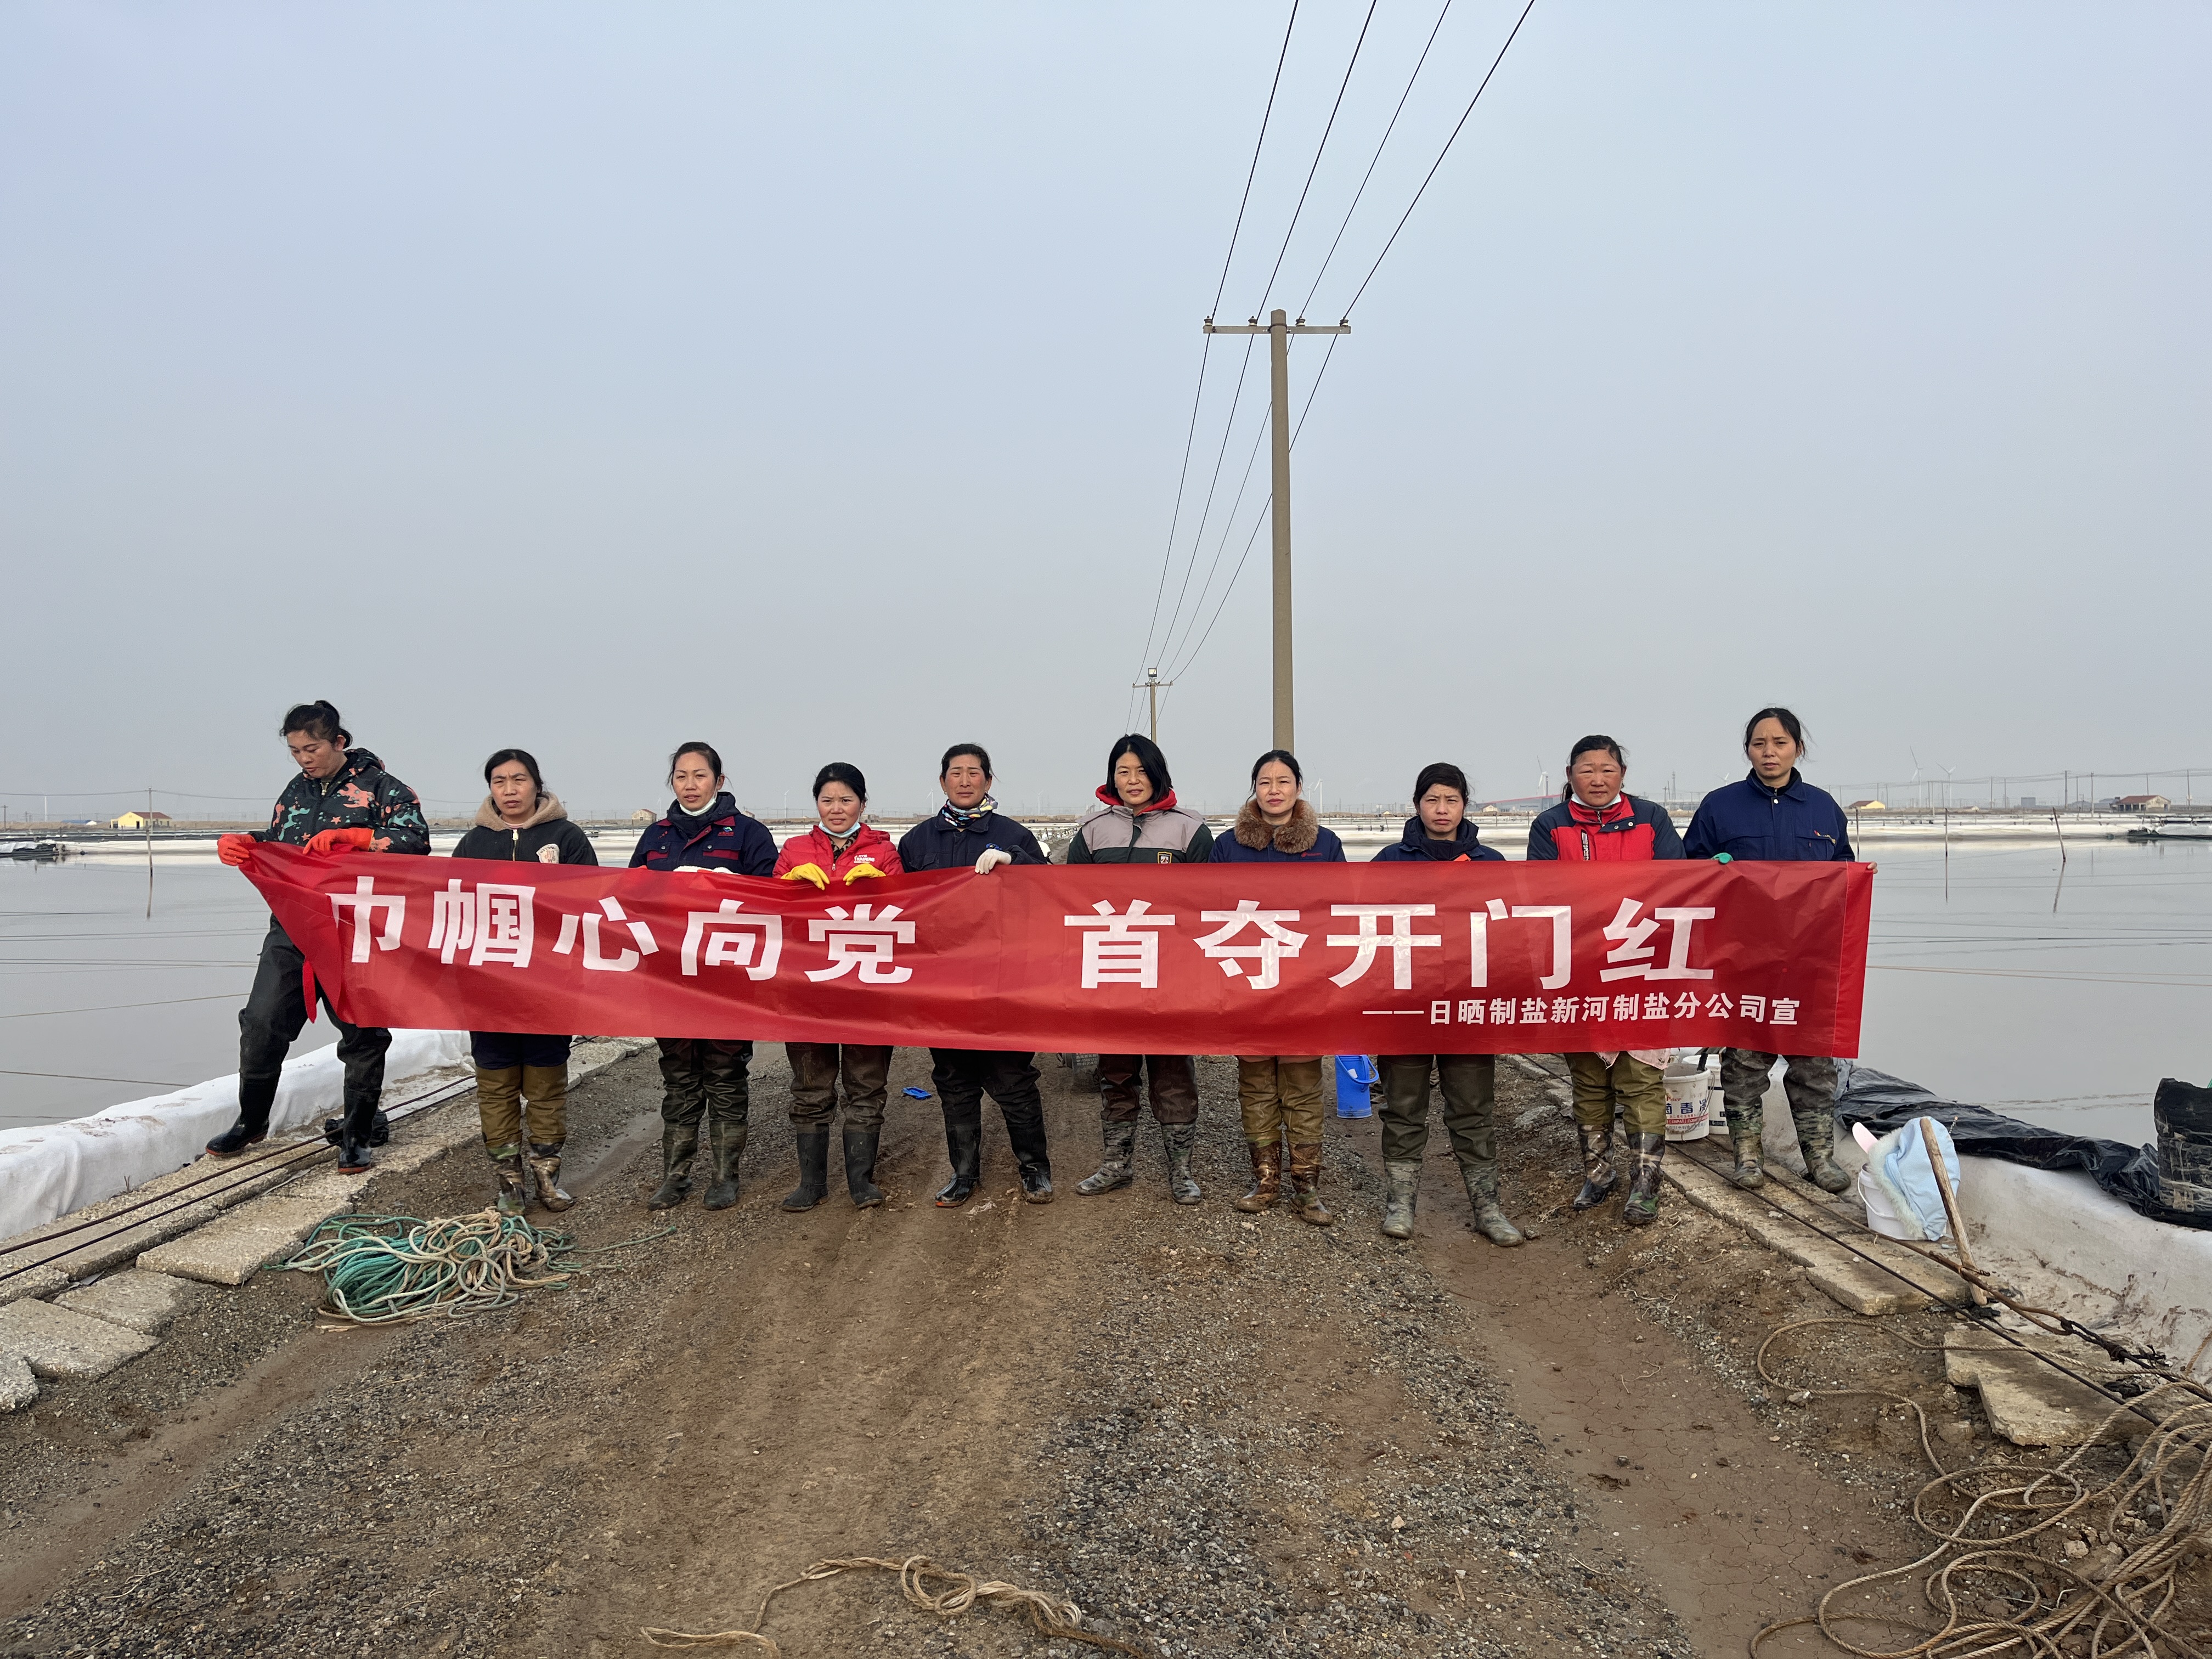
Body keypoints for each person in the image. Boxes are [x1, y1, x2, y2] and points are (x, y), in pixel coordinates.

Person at [208, 701, 429, 1173]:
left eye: (312, 748)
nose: (304, 759)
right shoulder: (296, 791)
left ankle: (357, 1134)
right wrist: (248, 843)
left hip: (355, 929)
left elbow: (416, 842)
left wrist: (358, 838)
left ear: (339, 742)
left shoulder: (384, 789)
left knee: (362, 1031)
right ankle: (252, 1121)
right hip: (294, 927)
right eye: (295, 751)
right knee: (261, 1022)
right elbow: (282, 841)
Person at [1685, 707, 1866, 1195]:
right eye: (1759, 743)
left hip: (1809, 959)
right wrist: (1712, 867)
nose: (1770, 752)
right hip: (1743, 958)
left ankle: (1819, 1157)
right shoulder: (1720, 807)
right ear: (1747, 750)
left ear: (1798, 749)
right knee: (1744, 1062)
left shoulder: (1823, 808)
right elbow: (1687, 873)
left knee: (1814, 1063)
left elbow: (1843, 877)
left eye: (1780, 743)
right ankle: (1747, 1156)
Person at [1527, 737, 1686, 1226]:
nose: (1597, 779)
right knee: (1589, 1077)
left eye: (1607, 770)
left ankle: (1645, 1184)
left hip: (1640, 966)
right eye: (1587, 770)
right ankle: (1598, 1173)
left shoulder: (1651, 819)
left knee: (1642, 1079)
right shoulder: (1551, 825)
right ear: (1570, 775)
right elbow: (1541, 896)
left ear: (1623, 774)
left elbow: (1678, 884)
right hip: (1578, 968)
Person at [1368, 763, 1526, 1246]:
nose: (1442, 809)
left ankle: (1488, 1208)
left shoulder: (1489, 863)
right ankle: (1400, 1205)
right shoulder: (1390, 862)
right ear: (1417, 804)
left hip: (1467, 1006)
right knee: (1403, 1106)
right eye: (1433, 800)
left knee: (1473, 1108)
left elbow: (1511, 934)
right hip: (1406, 1004)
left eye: (1451, 800)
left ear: (1464, 806)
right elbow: (1364, 929)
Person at [896, 744, 1052, 1206]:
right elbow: (900, 910)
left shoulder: (1013, 835)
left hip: (1001, 982)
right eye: (956, 773)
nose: (964, 781)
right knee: (954, 1080)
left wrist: (1015, 862)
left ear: (988, 779)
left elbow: (1050, 893)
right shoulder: (917, 842)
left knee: (1013, 1079)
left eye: (974, 773)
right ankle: (964, 1173)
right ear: (942, 781)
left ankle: (1035, 1169)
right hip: (941, 984)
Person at [629, 742, 778, 1211]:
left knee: (725, 1076)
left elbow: (772, 901)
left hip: (726, 982)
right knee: (679, 1078)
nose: (690, 785)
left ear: (719, 780)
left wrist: (716, 885)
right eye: (681, 776)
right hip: (670, 981)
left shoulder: (749, 834)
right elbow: (629, 901)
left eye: (700, 775)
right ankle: (675, 1177)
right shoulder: (655, 837)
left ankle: (724, 1176)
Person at [1067, 734, 1214, 1203]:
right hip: (1114, 971)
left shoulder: (1190, 830)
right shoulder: (1092, 832)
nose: (1132, 780)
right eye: (1123, 771)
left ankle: (1181, 1170)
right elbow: (1069, 899)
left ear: (1158, 773)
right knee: (1115, 1071)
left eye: (1141, 771)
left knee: (1172, 1072)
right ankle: (1117, 1165)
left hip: (1171, 975)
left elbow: (1209, 904)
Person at [452, 749, 598, 1217]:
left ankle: (547, 1174)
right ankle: (509, 1179)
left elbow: (592, 903)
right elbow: (451, 909)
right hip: (489, 986)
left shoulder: (567, 838)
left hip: (549, 986)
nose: (510, 790)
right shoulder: (473, 844)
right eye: (499, 781)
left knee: (545, 1081)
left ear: (537, 784)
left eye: (519, 780)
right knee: (495, 1084)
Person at [1210, 749, 1345, 1224]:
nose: (1274, 790)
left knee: (1303, 1084)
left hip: (1304, 984)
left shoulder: (1325, 844)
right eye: (1265, 781)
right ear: (1255, 789)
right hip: (1247, 981)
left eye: (1283, 781)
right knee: (1256, 1084)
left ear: (1298, 788)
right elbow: (1206, 908)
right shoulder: (1227, 847)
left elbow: (1340, 911)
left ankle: (1307, 1186)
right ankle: (1265, 1179)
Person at [775, 763, 903, 1211]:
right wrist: (786, 885)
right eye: (827, 800)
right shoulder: (793, 850)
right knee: (810, 1085)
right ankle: (811, 1183)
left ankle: (861, 1182)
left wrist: (886, 888)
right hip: (808, 986)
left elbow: (907, 914)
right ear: (817, 804)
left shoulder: (884, 852)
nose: (836, 808)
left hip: (866, 985)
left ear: (863, 805)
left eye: (846, 800)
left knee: (865, 1084)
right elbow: (768, 912)